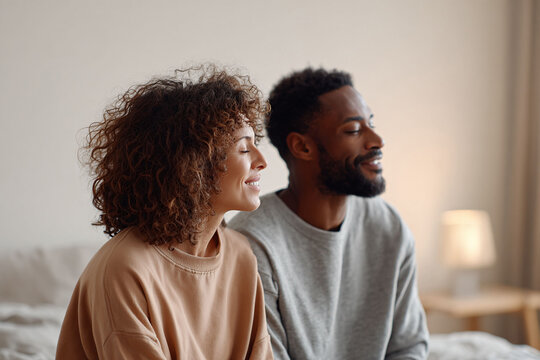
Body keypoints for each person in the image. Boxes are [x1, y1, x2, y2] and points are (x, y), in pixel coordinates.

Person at [56, 66, 273, 359]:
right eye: (244, 149)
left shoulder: (240, 255)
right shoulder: (125, 269)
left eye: (255, 144)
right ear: (193, 163)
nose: (262, 162)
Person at [229, 68, 429, 359]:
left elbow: (409, 347)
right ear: (302, 146)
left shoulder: (388, 226)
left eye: (370, 123)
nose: (376, 141)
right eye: (353, 130)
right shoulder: (252, 244)